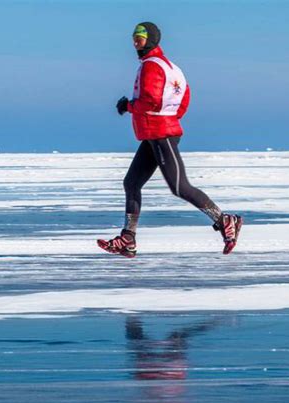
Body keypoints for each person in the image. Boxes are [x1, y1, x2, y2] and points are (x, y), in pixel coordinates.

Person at [97, 22, 243, 258]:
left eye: (141, 37)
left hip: (160, 134)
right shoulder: (170, 67)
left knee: (179, 187)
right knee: (131, 183)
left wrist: (128, 106)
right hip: (156, 133)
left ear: (152, 39)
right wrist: (170, 118)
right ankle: (128, 238)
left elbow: (151, 100)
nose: (136, 41)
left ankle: (225, 220)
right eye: (134, 37)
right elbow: (184, 97)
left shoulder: (150, 67)